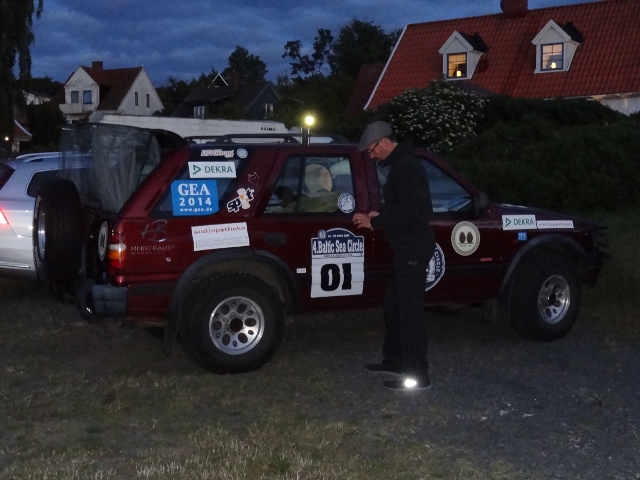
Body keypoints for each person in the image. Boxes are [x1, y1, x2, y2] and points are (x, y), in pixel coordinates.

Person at [353, 120, 435, 391]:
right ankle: (395, 361)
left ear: (385, 142)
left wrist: (375, 222)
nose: (371, 155)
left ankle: (418, 375)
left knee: (410, 312)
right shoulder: (401, 166)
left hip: (413, 248)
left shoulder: (407, 167)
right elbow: (403, 207)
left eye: (372, 149)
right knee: (394, 306)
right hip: (404, 248)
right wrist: (382, 215)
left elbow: (410, 213)